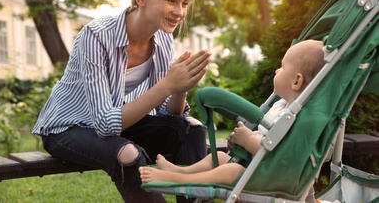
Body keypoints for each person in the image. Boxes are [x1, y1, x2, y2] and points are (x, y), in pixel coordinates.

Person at [32, 0, 211, 203]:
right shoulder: (96, 36)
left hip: (113, 122)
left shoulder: (162, 39)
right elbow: (105, 123)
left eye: (184, 3)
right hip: (67, 128)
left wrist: (180, 89)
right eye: (171, 0)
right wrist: (167, 84)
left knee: (191, 129)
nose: (179, 12)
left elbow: (168, 113)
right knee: (127, 154)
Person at [139, 39, 325, 186]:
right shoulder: (280, 106)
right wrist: (243, 140)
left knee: (231, 171)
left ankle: (178, 179)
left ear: (297, 81)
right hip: (254, 167)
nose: (277, 70)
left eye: (282, 67)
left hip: (270, 179)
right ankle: (180, 171)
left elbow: (280, 157)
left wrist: (248, 141)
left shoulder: (296, 118)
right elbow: (266, 136)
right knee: (219, 157)